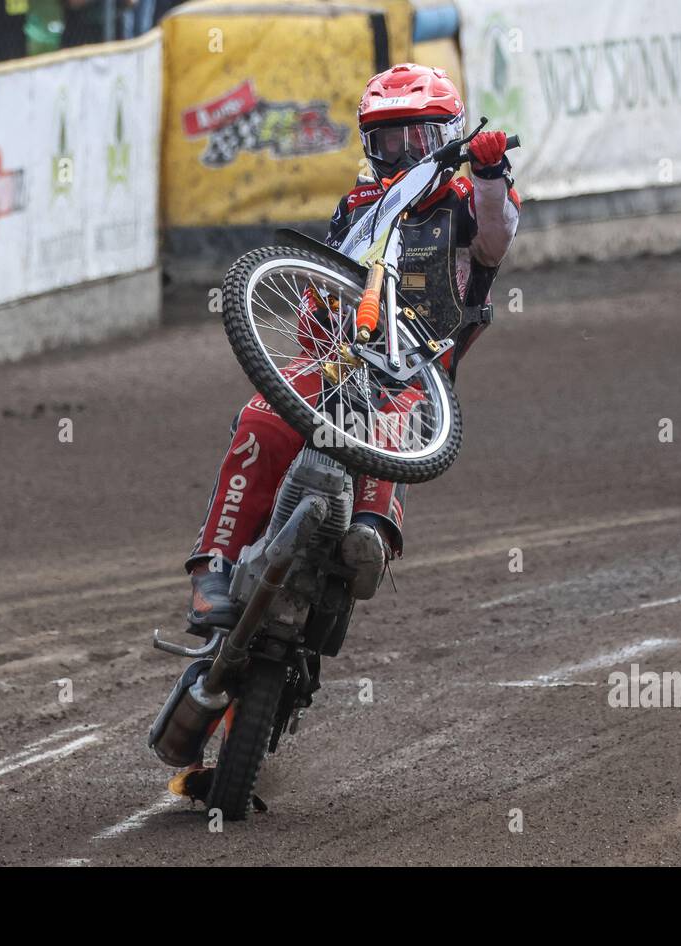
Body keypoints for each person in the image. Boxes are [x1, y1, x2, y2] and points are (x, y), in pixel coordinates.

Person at [185, 63, 520, 632]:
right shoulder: (359, 205)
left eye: (415, 136)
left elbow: (496, 235)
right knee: (261, 418)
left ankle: (370, 531)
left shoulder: (467, 197)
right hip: (339, 357)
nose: (401, 151)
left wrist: (490, 171)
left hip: (414, 372)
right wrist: (309, 335)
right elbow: (323, 279)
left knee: (393, 424)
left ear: (447, 132)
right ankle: (213, 567)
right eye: (386, 140)